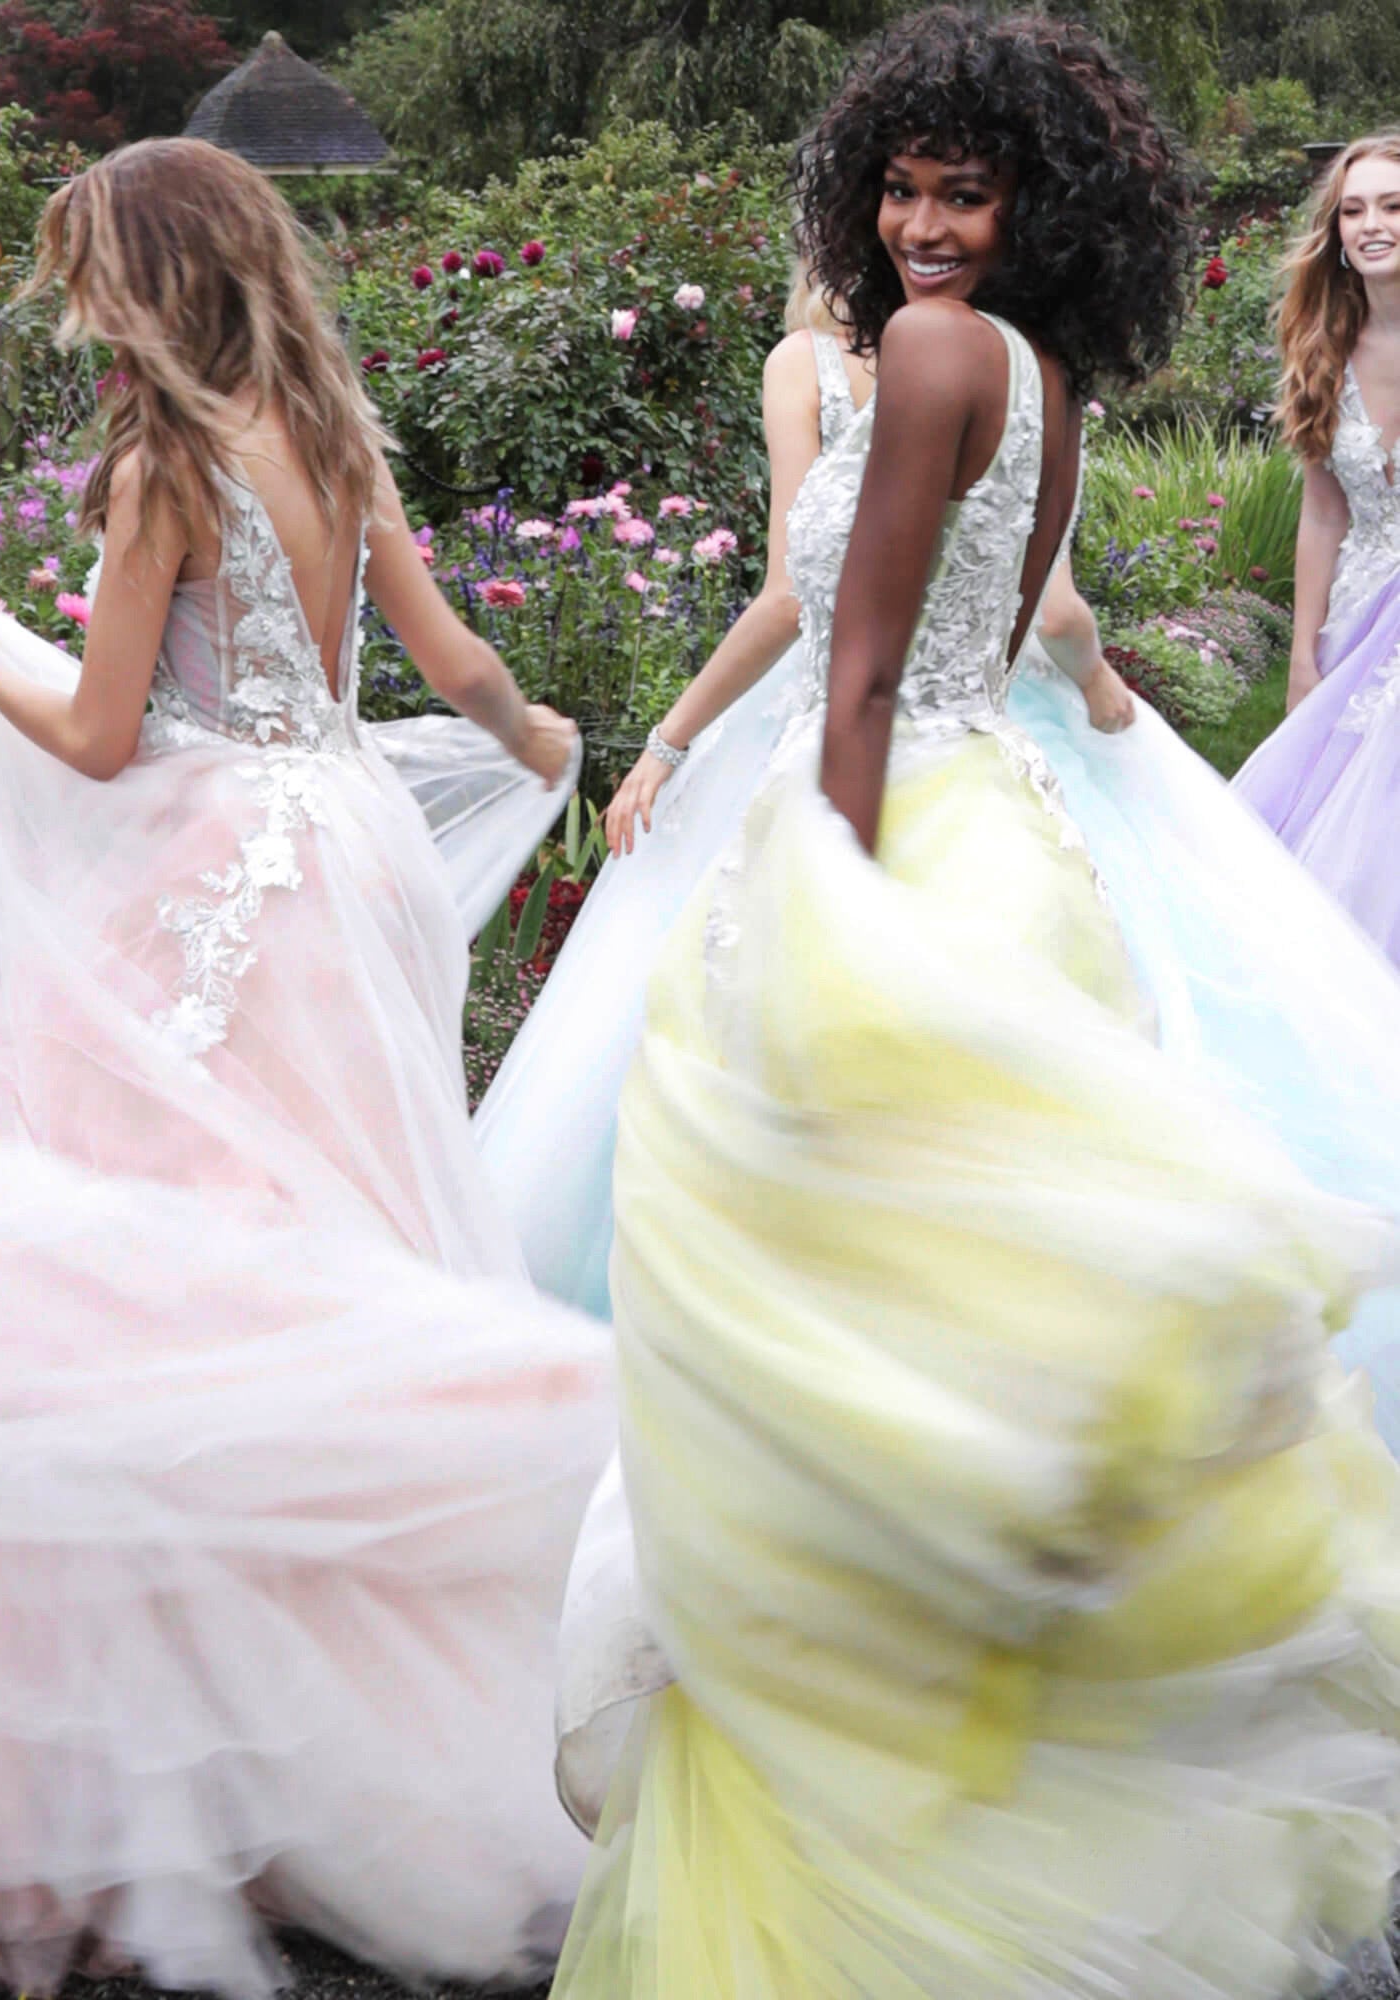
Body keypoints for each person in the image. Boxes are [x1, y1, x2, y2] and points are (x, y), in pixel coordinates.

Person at [549, 16, 1400, 1998]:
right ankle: (967, 1812)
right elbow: (995, 634)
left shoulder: (933, 354)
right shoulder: (1038, 369)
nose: (922, 226)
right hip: (1006, 838)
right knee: (944, 1359)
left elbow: (854, 676)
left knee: (843, 1355)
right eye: (901, 188)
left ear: (1040, 207)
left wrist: (822, 915)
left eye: (966, 192)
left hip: (897, 841)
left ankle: (858, 1836)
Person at [0, 137, 615, 1997]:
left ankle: (209, 1759)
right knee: (337, 1234)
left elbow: (100, 737)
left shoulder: (164, 470)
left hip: (222, 879)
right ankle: (366, 1716)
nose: (79, 318)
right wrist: (543, 739)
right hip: (351, 857)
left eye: (90, 283)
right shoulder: (333, 436)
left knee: (170, 1284)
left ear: (146, 284)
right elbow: (450, 659)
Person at [474, 277, 1131, 1318]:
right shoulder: (1025, 366)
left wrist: (669, 742)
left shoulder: (815, 366)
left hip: (840, 731)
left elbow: (788, 595)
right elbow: (1046, 610)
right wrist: (1084, 688)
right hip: (968, 752)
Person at [1235, 134, 1400, 967]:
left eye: (1394, 206)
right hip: (1358, 614)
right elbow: (1325, 514)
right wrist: (1303, 654)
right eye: (1354, 210)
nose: (1373, 225)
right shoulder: (1323, 348)